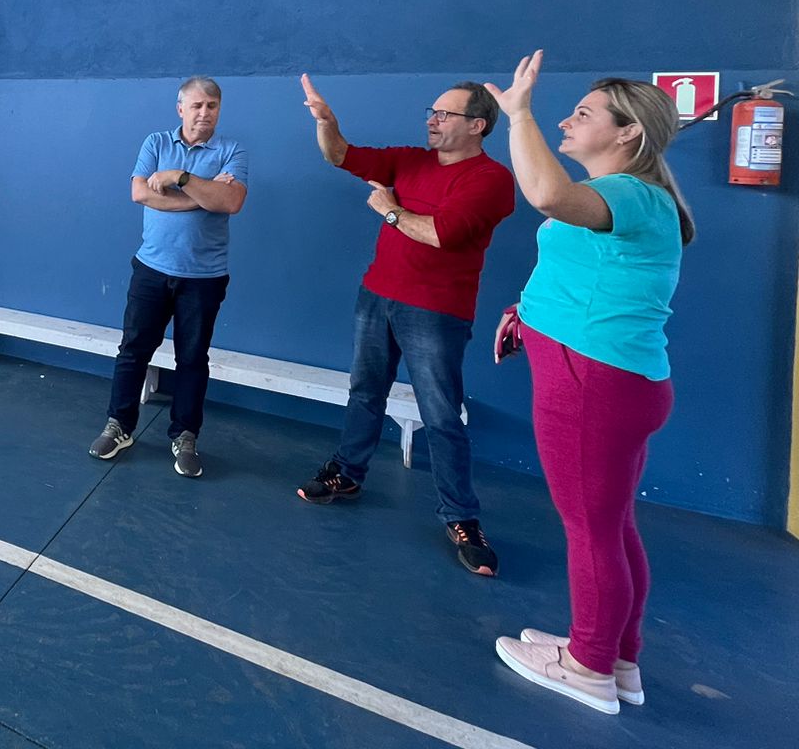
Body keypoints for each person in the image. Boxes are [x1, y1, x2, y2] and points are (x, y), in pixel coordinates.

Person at [486, 52, 692, 716]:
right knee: (611, 523)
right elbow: (587, 273)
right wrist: (526, 315)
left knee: (590, 530)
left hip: (591, 386)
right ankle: (615, 655)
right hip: (612, 379)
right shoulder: (631, 201)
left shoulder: (629, 193)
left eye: (585, 114)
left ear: (627, 133)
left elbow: (544, 194)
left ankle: (588, 667)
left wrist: (519, 115)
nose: (568, 120)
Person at [295, 74, 516, 576]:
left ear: (478, 125)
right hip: (377, 297)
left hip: (436, 312)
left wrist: (391, 212)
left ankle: (461, 517)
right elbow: (340, 156)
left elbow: (443, 235)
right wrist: (327, 124)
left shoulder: (490, 180)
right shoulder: (409, 160)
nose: (432, 121)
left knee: (440, 416)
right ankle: (347, 475)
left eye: (445, 114)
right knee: (365, 392)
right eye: (432, 112)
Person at [88, 76, 247, 478]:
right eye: (196, 105)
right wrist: (203, 198)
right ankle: (120, 425)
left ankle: (185, 436)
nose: (204, 113)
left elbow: (231, 201)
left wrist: (181, 178)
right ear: (180, 109)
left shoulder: (232, 150)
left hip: (205, 277)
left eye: (212, 105)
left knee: (192, 359)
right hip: (151, 270)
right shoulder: (155, 143)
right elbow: (140, 193)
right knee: (133, 350)